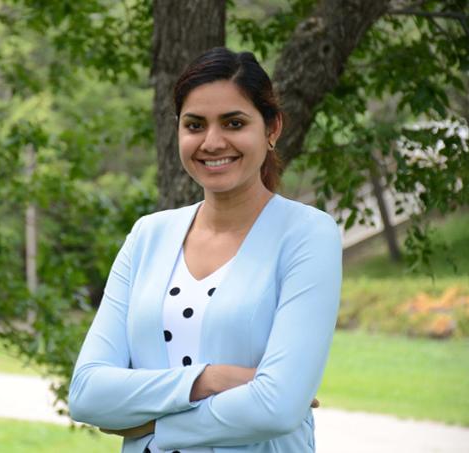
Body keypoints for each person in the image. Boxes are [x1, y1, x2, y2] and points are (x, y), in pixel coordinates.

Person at [68, 47, 342, 453]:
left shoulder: (307, 234)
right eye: (195, 125)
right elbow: (87, 393)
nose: (212, 142)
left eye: (233, 123)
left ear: (272, 128)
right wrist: (209, 380)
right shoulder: (148, 236)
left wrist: (149, 428)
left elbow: (276, 408)